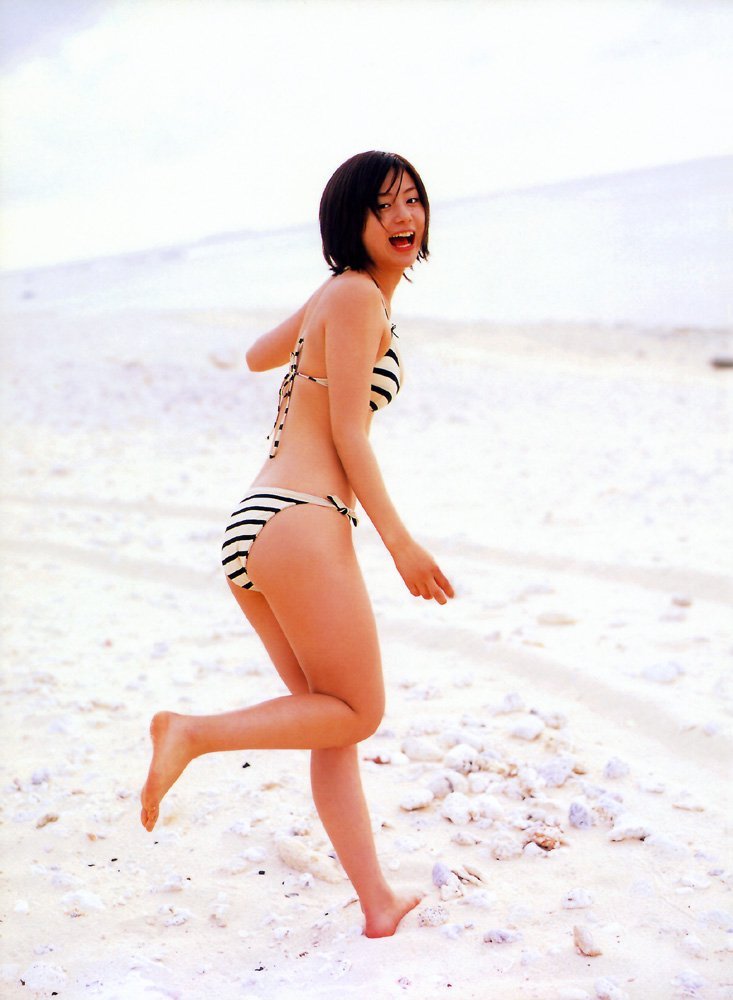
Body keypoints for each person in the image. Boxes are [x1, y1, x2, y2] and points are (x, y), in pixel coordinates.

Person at [140, 150, 454, 938]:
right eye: (381, 206)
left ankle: (376, 903)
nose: (403, 218)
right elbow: (348, 432)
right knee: (356, 711)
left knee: (327, 719)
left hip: (257, 526)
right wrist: (400, 543)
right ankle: (192, 732)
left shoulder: (339, 294)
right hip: (302, 518)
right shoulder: (355, 297)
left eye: (411, 200)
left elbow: (258, 355)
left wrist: (323, 304)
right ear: (350, 221)